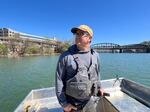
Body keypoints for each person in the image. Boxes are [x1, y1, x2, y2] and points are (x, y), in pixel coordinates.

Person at [55, 25, 103, 112]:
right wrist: (64, 104)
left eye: (81, 33)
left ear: (90, 38)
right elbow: (59, 81)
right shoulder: (65, 56)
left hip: (89, 102)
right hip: (72, 105)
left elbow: (97, 73)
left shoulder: (96, 55)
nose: (77, 36)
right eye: (76, 34)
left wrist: (100, 87)